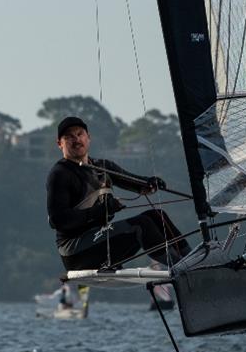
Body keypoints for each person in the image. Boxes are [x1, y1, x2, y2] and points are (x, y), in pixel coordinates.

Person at [46, 116, 192, 271]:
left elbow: (137, 183)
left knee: (157, 216)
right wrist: (101, 210)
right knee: (141, 224)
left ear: (88, 137)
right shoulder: (60, 174)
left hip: (100, 238)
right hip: (75, 251)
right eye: (69, 136)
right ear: (59, 144)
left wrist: (149, 182)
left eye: (80, 134)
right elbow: (58, 220)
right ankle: (183, 270)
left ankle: (195, 262)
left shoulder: (103, 167)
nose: (76, 139)